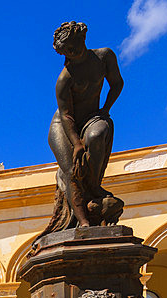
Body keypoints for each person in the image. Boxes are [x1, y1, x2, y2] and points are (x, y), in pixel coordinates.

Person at [39, 21, 125, 240]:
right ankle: (83, 220)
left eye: (72, 46)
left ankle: (95, 188)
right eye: (65, 51)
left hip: (92, 116)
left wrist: (105, 109)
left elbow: (117, 83)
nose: (71, 52)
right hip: (63, 125)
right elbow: (66, 115)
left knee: (98, 135)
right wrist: (76, 143)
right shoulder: (64, 78)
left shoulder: (104, 56)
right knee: (72, 172)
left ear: (82, 39)